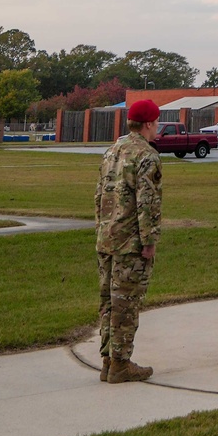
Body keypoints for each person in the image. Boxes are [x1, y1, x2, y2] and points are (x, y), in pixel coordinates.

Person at [94, 98, 163, 382]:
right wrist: (149, 240)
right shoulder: (146, 155)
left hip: (106, 237)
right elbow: (147, 202)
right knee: (126, 302)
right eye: (156, 122)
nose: (157, 127)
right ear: (148, 124)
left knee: (109, 301)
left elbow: (99, 195)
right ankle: (121, 364)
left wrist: (101, 227)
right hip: (130, 242)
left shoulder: (113, 150)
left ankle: (108, 361)